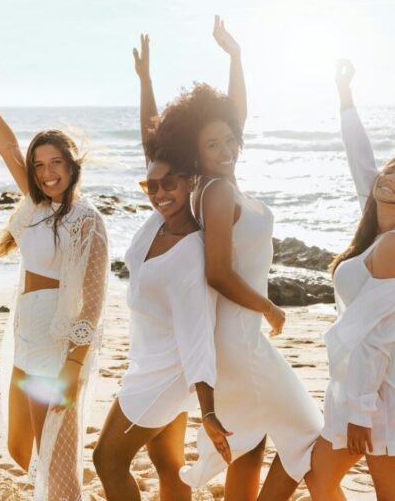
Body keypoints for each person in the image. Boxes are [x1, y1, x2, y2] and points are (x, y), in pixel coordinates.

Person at [145, 17, 322, 500]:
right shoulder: (218, 192)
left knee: (250, 443)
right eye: (212, 144)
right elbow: (217, 271)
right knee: (311, 434)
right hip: (240, 336)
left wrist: (237, 59)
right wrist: (266, 307)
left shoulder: (216, 182)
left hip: (236, 333)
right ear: (195, 151)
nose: (225, 149)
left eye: (230, 140)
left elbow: (232, 117)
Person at [0, 47, 109, 501]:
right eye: (39, 165)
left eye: (55, 162)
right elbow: (6, 145)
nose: (46, 172)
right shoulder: (38, 207)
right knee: (21, 447)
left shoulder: (87, 219)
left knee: (56, 453)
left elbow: (95, 301)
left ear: (72, 164)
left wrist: (74, 365)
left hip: (57, 342)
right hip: (24, 332)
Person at [94, 34, 231, 500]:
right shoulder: (160, 221)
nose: (158, 192)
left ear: (188, 180)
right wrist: (145, 82)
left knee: (107, 460)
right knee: (167, 464)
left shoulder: (189, 253)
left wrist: (209, 412)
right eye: (149, 185)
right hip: (148, 361)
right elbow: (152, 146)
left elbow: (197, 338)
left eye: (168, 183)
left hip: (165, 373)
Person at [307, 59, 395, 501]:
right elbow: (360, 158)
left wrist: (360, 411)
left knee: (394, 496)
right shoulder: (381, 218)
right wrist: (344, 94)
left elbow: (377, 335)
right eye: (389, 171)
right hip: (364, 381)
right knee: (319, 479)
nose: (387, 178)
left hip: (388, 383)